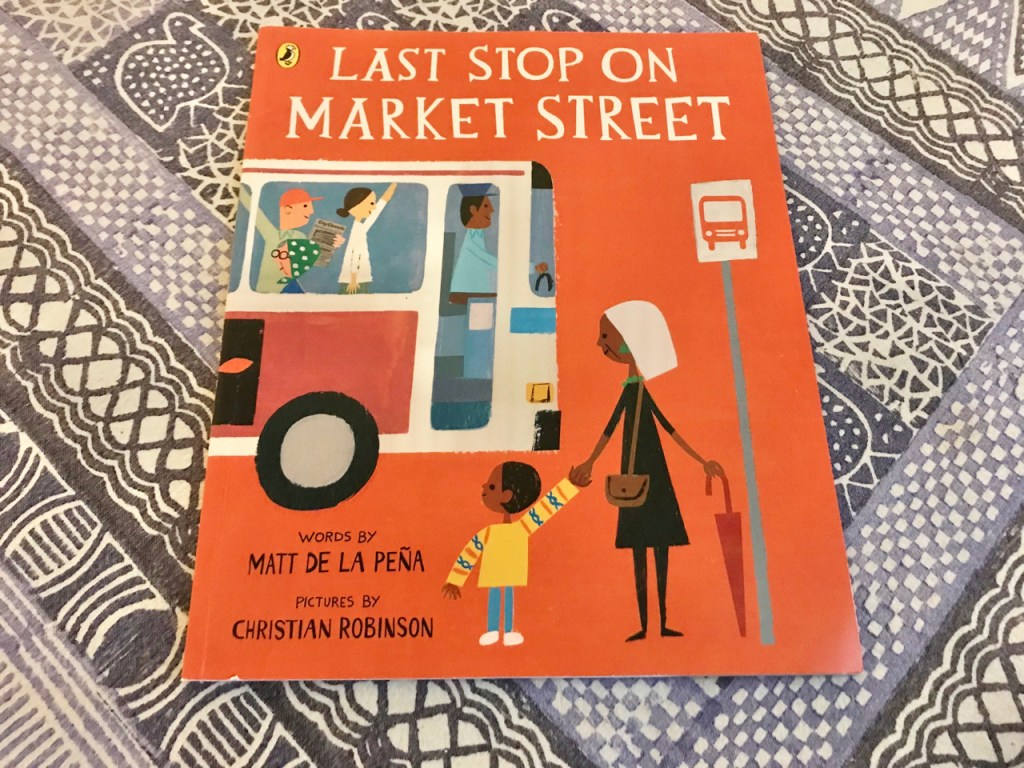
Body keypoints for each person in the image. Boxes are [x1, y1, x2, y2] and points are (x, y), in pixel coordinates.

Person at [569, 301, 722, 642]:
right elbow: (612, 429)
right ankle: (648, 625)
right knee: (643, 550)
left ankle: (660, 623)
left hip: (651, 474)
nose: (599, 344)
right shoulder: (631, 390)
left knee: (655, 549)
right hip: (639, 475)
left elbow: (667, 429)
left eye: (606, 336)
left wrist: (702, 461)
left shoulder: (636, 390)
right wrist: (589, 462)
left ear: (629, 342)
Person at [441, 462, 580, 647]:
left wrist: (570, 484)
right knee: (496, 597)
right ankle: (493, 629)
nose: (484, 486)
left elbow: (546, 507)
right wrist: (454, 580)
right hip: (494, 575)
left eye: (492, 486)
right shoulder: (497, 531)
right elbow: (470, 553)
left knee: (508, 598)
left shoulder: (520, 528)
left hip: (509, 575)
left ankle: (507, 631)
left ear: (506, 496)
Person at [240, 187, 343, 293]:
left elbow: (314, 258)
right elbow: (255, 211)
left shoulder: (300, 236)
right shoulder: (272, 234)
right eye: (305, 206)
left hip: (289, 286)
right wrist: (241, 190)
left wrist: (332, 244)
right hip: (271, 289)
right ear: (288, 209)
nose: (311, 211)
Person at [337, 182, 397, 294]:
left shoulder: (359, 226)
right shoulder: (357, 229)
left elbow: (375, 213)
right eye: (371, 203)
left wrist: (387, 194)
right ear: (357, 205)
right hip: (354, 281)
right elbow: (355, 254)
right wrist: (353, 279)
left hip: (357, 278)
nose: (374, 206)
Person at [449, 187, 498, 299]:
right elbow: (487, 260)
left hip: (476, 291)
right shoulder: (470, 240)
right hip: (464, 293)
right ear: (473, 210)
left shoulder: (478, 235)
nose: (491, 210)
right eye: (486, 206)